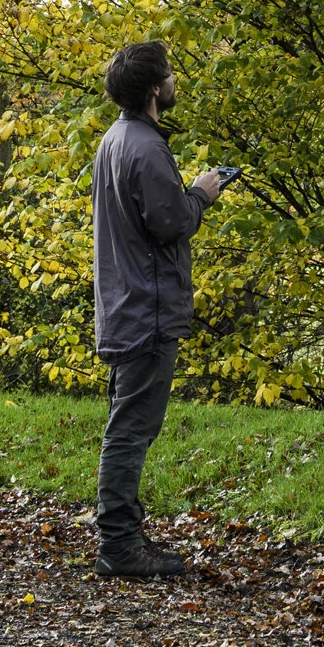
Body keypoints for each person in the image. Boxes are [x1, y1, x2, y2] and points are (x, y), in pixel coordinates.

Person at [91, 39, 221, 579]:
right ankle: (119, 545)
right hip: (145, 309)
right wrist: (202, 193)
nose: (174, 79)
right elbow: (171, 224)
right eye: (169, 73)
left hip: (124, 303)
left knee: (129, 423)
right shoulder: (145, 147)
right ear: (153, 89)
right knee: (131, 428)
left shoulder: (113, 141)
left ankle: (123, 536)